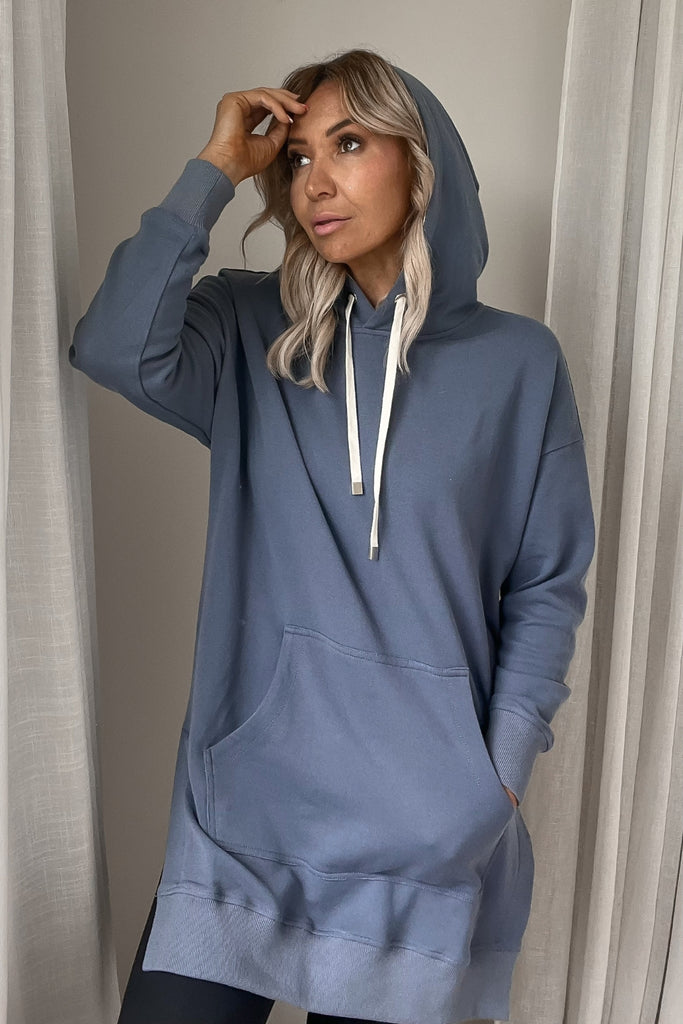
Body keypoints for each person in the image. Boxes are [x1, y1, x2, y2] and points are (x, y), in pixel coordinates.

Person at [69, 47, 596, 1024]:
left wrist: (497, 778)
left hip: (423, 837)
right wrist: (216, 167)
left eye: (348, 144)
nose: (314, 180)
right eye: (298, 156)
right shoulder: (251, 332)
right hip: (244, 815)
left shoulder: (518, 364)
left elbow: (545, 582)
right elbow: (111, 347)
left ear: (420, 158)